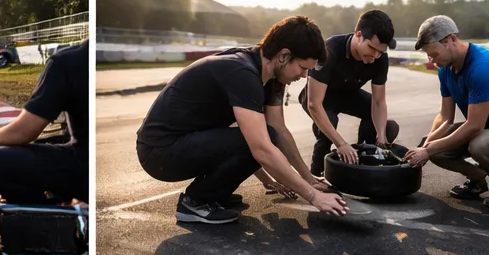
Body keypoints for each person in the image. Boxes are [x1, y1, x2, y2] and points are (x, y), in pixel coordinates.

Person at [136, 16, 350, 225]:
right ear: (284, 55)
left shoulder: (271, 74)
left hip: (187, 142)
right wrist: (313, 196)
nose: (304, 75)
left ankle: (213, 193)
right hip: (159, 152)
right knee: (265, 141)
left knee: (271, 135)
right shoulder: (243, 73)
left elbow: (279, 130)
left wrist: (308, 180)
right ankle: (196, 201)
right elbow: (261, 149)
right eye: (303, 67)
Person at [405, 15, 489, 210]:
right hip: (484, 130)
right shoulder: (445, 69)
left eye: (433, 54)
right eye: (428, 55)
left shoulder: (482, 67)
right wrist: (426, 146)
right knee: (434, 148)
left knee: (480, 144)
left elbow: (474, 125)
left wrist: (428, 149)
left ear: (450, 40)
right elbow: (445, 117)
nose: (431, 60)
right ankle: (477, 180)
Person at [0, 40, 88, 204]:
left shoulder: (67, 60)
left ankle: (47, 220)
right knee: (56, 139)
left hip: (84, 168)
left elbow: (25, 130)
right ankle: (58, 197)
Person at [300, 9, 400, 176]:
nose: (375, 55)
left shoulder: (380, 58)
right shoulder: (330, 49)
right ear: (359, 34)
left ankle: (363, 160)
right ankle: (316, 176)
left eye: (380, 52)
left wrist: (381, 138)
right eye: (372, 48)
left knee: (384, 124)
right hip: (321, 98)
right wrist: (341, 144)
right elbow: (314, 103)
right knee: (328, 127)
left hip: (348, 94)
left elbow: (378, 102)